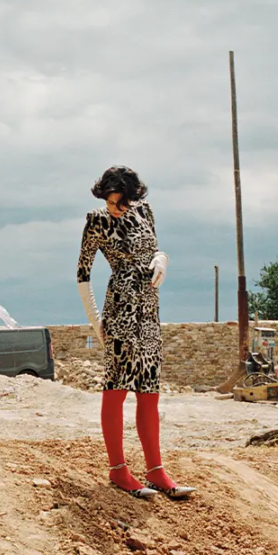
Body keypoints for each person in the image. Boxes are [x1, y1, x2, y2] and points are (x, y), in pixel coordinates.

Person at [77, 166, 193, 499]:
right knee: (116, 388)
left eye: (121, 202)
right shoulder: (96, 220)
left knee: (149, 391)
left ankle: (156, 471)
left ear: (134, 197)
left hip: (149, 311)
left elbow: (155, 248)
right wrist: (96, 322)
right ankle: (118, 470)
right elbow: (83, 273)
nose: (116, 208)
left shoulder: (144, 211)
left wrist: (162, 260)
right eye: (110, 202)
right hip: (120, 311)